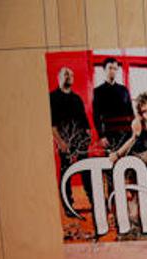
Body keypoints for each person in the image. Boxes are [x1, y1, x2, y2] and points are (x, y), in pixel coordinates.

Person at [49, 66, 93, 215]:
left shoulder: (77, 99)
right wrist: (60, 142)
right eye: (65, 74)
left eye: (71, 75)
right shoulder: (52, 98)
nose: (69, 77)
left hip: (80, 141)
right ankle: (68, 206)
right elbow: (51, 124)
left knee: (86, 170)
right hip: (65, 141)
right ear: (59, 77)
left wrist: (88, 136)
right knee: (66, 172)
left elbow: (84, 121)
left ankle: (93, 201)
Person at [91, 56, 133, 155]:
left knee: (128, 158)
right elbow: (96, 116)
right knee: (111, 159)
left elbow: (130, 112)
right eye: (110, 68)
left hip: (125, 132)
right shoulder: (98, 91)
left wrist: (133, 132)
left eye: (115, 68)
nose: (113, 71)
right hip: (109, 133)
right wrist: (101, 136)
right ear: (104, 69)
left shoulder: (124, 90)